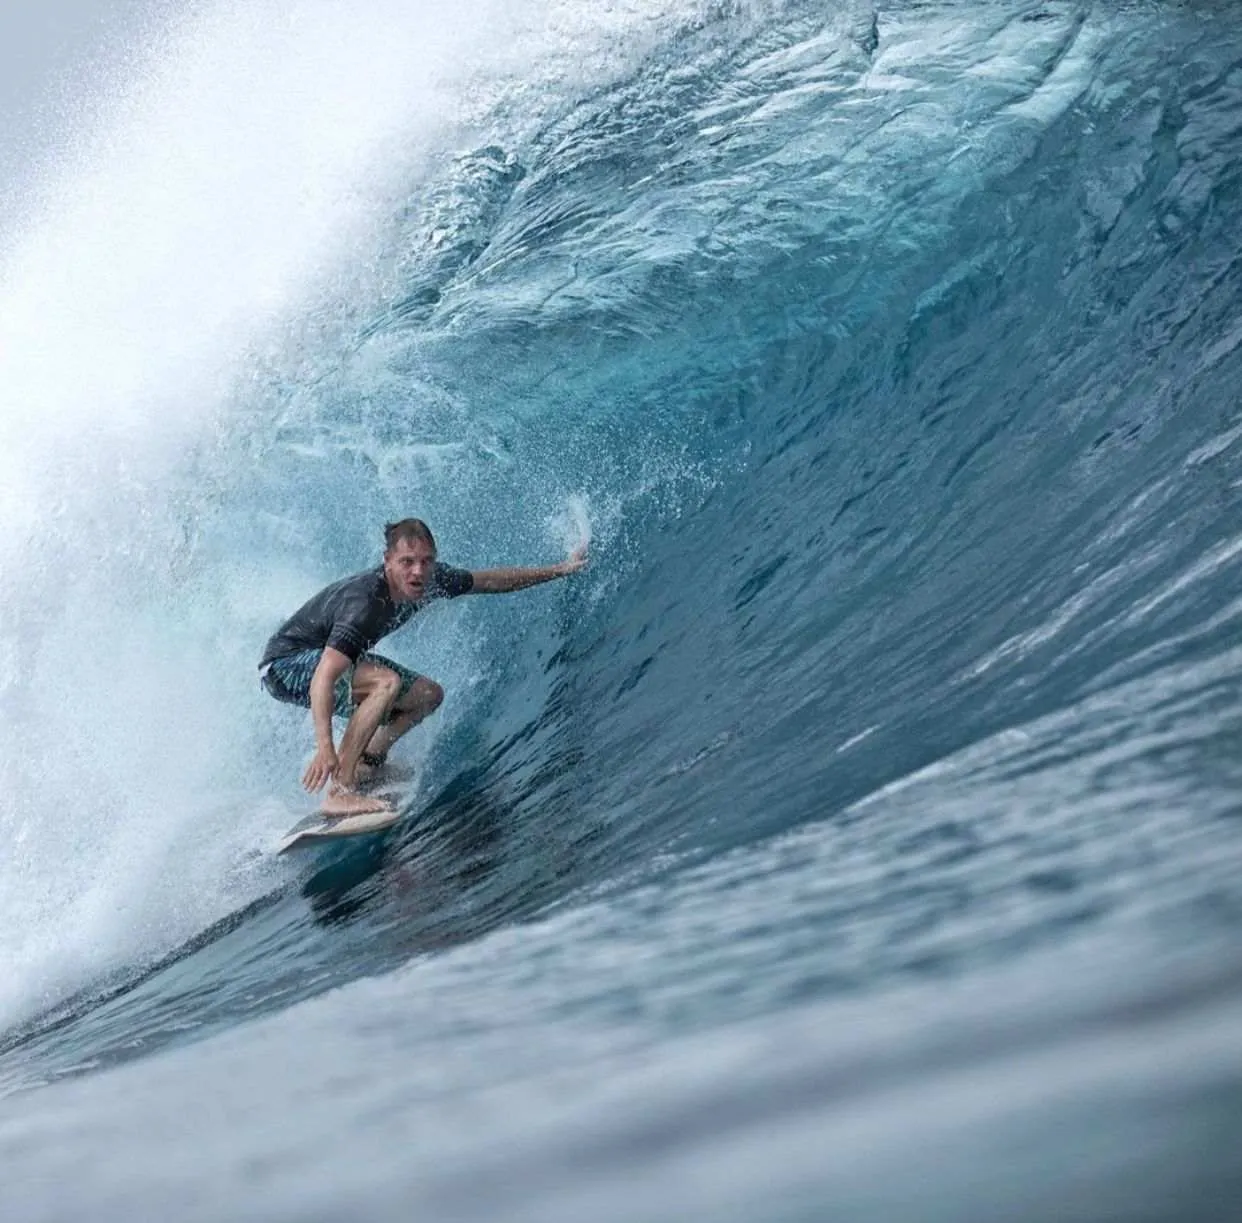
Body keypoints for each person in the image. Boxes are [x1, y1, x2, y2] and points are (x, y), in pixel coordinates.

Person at [259, 517, 587, 816]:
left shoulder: (433, 580)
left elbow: (489, 581)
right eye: (407, 562)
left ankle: (367, 764)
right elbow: (323, 678)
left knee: (427, 695)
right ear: (387, 562)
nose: (418, 571)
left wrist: (558, 570)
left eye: (426, 561)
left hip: (319, 665)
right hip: (286, 666)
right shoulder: (365, 604)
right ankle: (340, 791)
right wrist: (325, 749)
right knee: (385, 683)